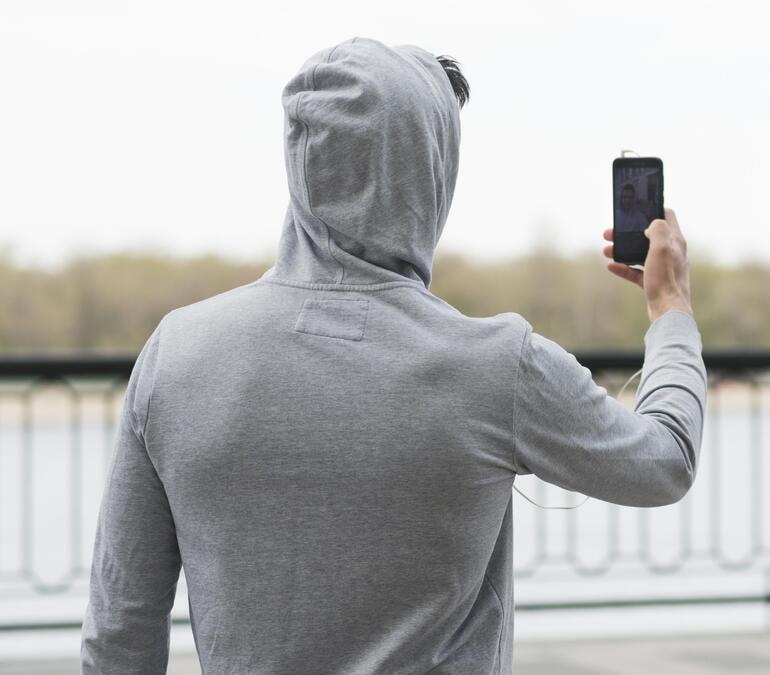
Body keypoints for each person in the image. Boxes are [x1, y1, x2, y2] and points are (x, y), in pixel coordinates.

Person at [80, 37, 706, 674]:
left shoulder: (178, 352)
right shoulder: (494, 364)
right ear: (430, 169)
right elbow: (664, 461)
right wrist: (671, 310)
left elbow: (119, 634)